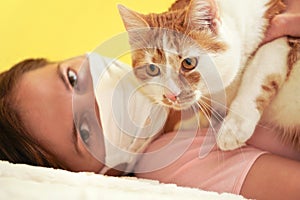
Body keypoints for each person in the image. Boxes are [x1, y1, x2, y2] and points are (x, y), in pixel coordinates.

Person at [0, 0, 300, 198]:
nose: (96, 96)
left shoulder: (168, 36)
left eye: (73, 79)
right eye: (85, 131)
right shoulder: (167, 161)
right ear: (102, 172)